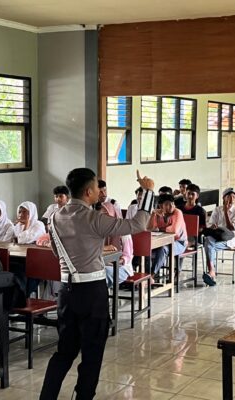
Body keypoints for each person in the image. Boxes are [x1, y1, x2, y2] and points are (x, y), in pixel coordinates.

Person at [39, 168, 155, 400]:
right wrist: (148, 191)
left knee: (64, 351)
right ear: (89, 191)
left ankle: (47, 397)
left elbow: (55, 251)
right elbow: (138, 224)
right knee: (92, 353)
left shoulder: (54, 217)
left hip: (66, 292)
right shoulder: (95, 218)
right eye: (97, 188)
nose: (100, 192)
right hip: (92, 293)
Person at [202, 188, 235, 286]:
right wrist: (213, 226)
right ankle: (211, 271)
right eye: (229, 196)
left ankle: (211, 272)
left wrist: (226, 212)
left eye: (233, 197)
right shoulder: (217, 209)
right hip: (217, 235)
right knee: (208, 240)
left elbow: (232, 229)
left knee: (208, 246)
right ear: (223, 198)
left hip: (231, 238)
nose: (231, 199)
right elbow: (211, 224)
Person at [148, 194, 187, 278]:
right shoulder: (157, 213)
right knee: (145, 248)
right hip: (161, 242)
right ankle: (142, 274)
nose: (171, 206)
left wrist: (160, 229)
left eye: (172, 204)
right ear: (160, 206)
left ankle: (152, 275)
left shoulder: (178, 212)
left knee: (163, 249)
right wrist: (153, 214)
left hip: (179, 243)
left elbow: (174, 230)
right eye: (167, 204)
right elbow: (150, 228)